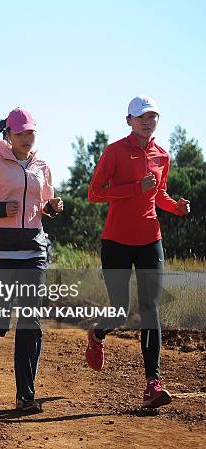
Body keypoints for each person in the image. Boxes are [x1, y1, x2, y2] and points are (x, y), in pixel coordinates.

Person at [85, 95, 190, 408]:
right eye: (142, 116)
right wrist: (134, 188)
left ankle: (152, 384)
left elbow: (159, 194)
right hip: (116, 241)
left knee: (150, 308)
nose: (148, 121)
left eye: (153, 116)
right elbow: (94, 193)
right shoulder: (115, 151)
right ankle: (97, 334)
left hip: (150, 239)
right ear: (129, 120)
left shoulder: (162, 156)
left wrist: (176, 207)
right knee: (120, 309)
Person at [0, 108, 63, 413]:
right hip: (0, 251)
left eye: (31, 132)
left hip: (34, 250)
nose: (26, 138)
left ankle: (25, 396)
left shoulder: (42, 166)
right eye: (20, 133)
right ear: (8, 134)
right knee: (0, 321)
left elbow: (42, 206)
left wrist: (53, 207)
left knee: (30, 320)